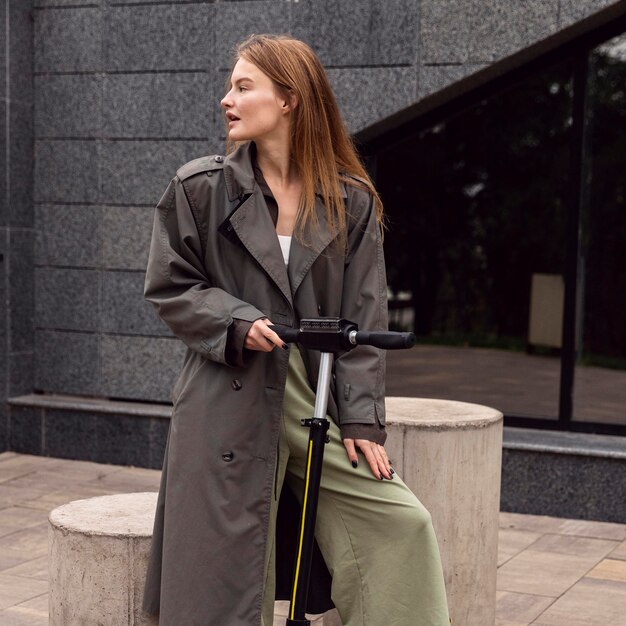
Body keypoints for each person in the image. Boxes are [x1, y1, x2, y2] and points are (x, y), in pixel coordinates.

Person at [142, 34, 450, 626]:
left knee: (400, 522)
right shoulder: (200, 189)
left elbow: (365, 315)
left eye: (242, 86)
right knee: (221, 571)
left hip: (317, 397)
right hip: (224, 397)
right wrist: (235, 321)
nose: (226, 99)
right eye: (230, 86)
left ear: (289, 99)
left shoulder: (350, 201)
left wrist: (362, 420)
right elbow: (170, 286)